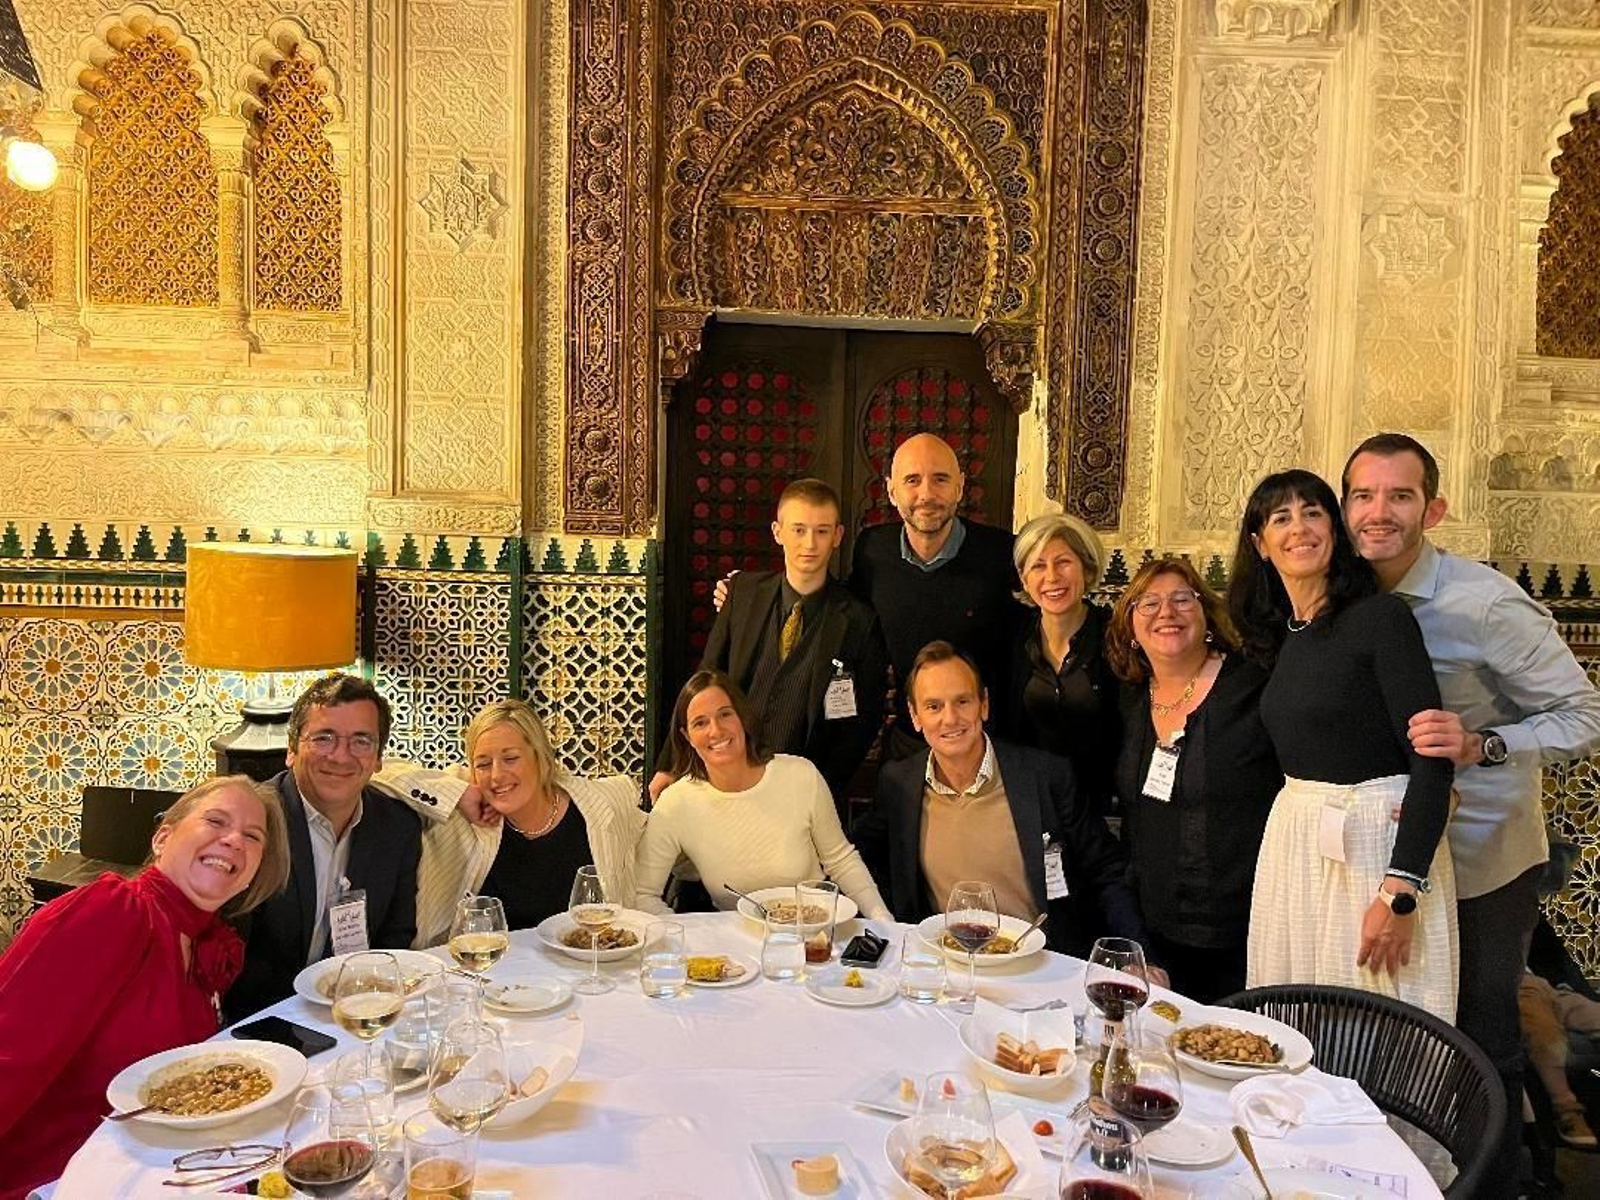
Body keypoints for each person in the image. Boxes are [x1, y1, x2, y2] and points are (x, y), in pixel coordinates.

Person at [1342, 432, 1600, 1188]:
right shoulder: (1339, 595)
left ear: (1434, 507)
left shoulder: (1482, 602)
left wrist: (1483, 744)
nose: (1378, 513)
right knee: (1403, 1030)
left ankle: (1507, 1182)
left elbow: (1583, 714)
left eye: (1399, 496)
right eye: (1363, 495)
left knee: (1483, 1033)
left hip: (1482, 859)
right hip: (1388, 858)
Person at [1227, 469, 1457, 1020]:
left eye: (1313, 512)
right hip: (1298, 846)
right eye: (1281, 518)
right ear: (1260, 544)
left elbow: (1432, 760)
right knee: (1298, 1021)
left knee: (1375, 1019)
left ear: (1335, 529)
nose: (1299, 528)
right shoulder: (1284, 636)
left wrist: (1401, 894)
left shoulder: (1381, 619)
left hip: (1376, 848)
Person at [0, 776, 290, 1199]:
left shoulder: (205, 943)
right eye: (215, 821)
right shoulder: (113, 912)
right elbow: (8, 1056)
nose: (233, 841)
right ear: (162, 837)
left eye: (252, 836)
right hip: (55, 1179)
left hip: (151, 1173)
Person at [857, 641, 1144, 959]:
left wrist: (1137, 955)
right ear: (914, 715)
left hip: (1042, 965)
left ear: (984, 704)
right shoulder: (899, 784)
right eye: (934, 706)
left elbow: (1106, 869)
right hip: (948, 963)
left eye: (962, 701)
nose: (950, 719)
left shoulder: (1045, 776)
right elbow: (855, 860)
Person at [651, 478, 887, 811]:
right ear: (778, 532)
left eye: (821, 531)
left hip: (805, 789)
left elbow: (862, 723)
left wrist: (821, 788)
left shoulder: (858, 620)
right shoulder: (743, 594)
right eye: (799, 530)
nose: (810, 544)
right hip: (725, 776)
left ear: (837, 536)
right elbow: (705, 681)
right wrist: (672, 764)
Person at [1106, 557, 1280, 1002]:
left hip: (1245, 931)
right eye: (1149, 603)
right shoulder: (1129, 700)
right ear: (1130, 627)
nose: (1167, 612)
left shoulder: (1253, 686)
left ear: (1206, 616)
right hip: (1158, 935)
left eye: (1182, 599)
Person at [224, 673, 423, 1021]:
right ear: (291, 750)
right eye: (324, 737)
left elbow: (396, 935)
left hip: (356, 1014)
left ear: (378, 759)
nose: (341, 756)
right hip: (258, 1023)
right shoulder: (254, 822)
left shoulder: (398, 826)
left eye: (361, 741)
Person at [377, 699, 647, 945]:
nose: (496, 776)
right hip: (486, 976)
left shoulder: (599, 805)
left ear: (540, 758)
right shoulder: (462, 806)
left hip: (586, 972)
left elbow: (653, 839)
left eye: (510, 759)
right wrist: (457, 793)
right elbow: (374, 773)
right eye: (483, 764)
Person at [633, 670, 892, 919]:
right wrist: (689, 941)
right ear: (686, 736)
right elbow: (643, 894)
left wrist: (881, 919)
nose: (716, 730)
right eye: (700, 723)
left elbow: (841, 861)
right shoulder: (676, 803)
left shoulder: (800, 775)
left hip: (812, 935)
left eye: (725, 714)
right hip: (734, 951)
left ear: (742, 719)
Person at [849, 432, 1024, 757]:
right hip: (908, 741)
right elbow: (839, 612)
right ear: (891, 490)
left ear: (959, 486)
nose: (926, 494)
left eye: (940, 479)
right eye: (912, 480)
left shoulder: (1003, 554)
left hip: (989, 744)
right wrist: (746, 594)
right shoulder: (872, 550)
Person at [996, 513, 1121, 814]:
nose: (1051, 577)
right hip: (1030, 805)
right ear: (1024, 578)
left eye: (1063, 562)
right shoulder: (1010, 639)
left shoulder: (1117, 638)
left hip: (1099, 809)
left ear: (1087, 570)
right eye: (1038, 565)